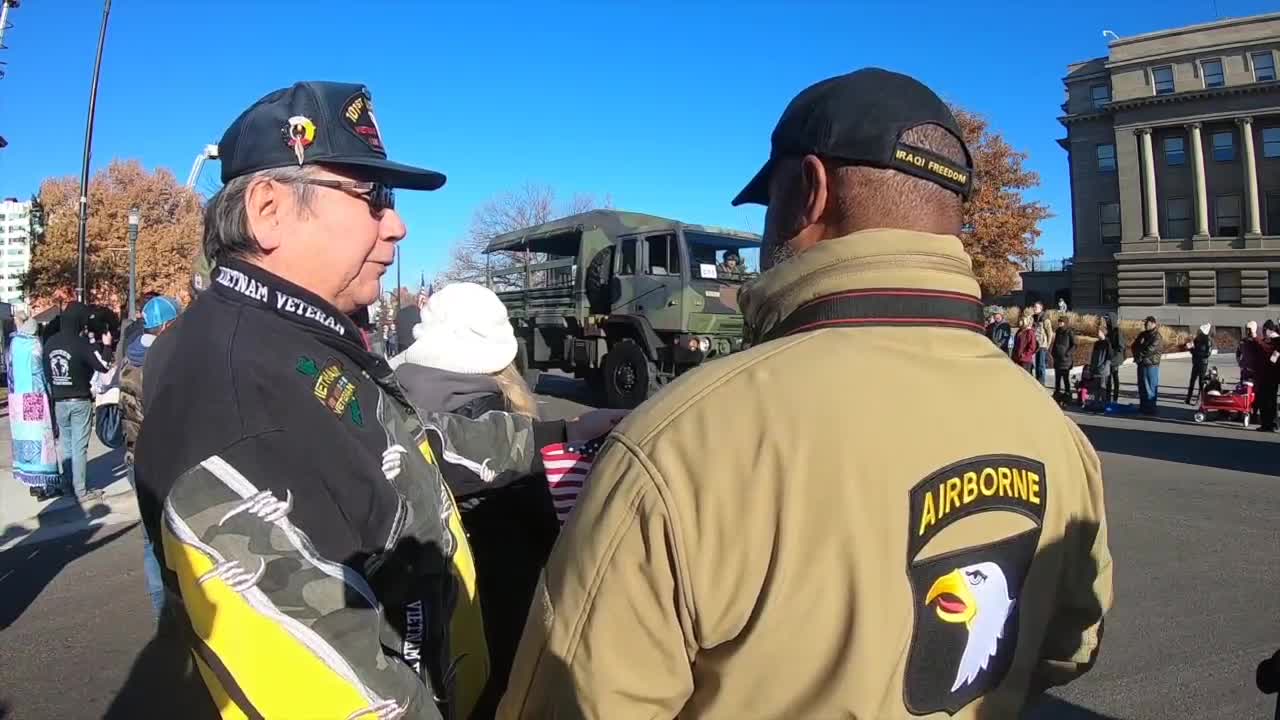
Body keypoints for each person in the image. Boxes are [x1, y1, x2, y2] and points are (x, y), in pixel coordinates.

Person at [501, 68, 1111, 719]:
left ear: (810, 192)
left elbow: (571, 701)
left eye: (770, 205)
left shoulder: (680, 445)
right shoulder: (1056, 433)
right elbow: (1070, 645)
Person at [125, 81, 622, 720]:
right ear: (269, 209)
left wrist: (561, 437)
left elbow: (409, 445)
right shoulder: (234, 394)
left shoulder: (292, 339)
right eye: (371, 196)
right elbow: (342, 697)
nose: (397, 224)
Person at [392, 281, 560, 718]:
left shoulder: (388, 395)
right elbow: (536, 521)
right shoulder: (499, 415)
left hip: (412, 602)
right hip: (493, 596)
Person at [118, 295, 182, 617]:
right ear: (168, 325)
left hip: (134, 460)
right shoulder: (168, 361)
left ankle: (162, 614)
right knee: (182, 537)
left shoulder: (129, 361)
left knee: (150, 542)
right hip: (166, 462)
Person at [41, 301, 109, 501]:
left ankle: (67, 484)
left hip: (59, 400)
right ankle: (81, 491)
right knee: (79, 446)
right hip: (79, 399)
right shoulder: (81, 344)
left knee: (66, 444)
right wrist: (105, 346)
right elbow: (103, 366)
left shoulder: (51, 343)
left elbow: (46, 371)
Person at [7, 308, 61, 500]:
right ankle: (44, 485)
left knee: (25, 442)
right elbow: (41, 374)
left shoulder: (13, 344)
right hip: (35, 398)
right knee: (42, 441)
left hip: (16, 400)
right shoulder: (35, 346)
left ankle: (31, 483)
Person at [1132, 316, 1163, 415]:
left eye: (1148, 323)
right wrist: (1137, 355)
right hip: (1141, 364)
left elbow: (1149, 350)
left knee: (1150, 387)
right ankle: (1143, 407)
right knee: (1142, 386)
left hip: (1151, 365)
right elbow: (1134, 345)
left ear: (1154, 323)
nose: (1145, 325)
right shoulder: (1143, 334)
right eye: (1145, 323)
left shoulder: (1157, 336)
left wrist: (1139, 356)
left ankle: (1150, 408)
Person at [1257, 320, 1280, 432]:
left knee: (1266, 400)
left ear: (1268, 330)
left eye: (1264, 329)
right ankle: (1271, 423)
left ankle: (1268, 424)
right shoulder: (1273, 341)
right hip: (1271, 376)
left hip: (1268, 375)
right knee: (1271, 400)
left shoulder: (1275, 342)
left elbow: (1272, 357)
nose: (1263, 332)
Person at [1185, 323, 1213, 404]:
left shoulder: (1208, 340)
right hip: (1196, 362)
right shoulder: (1197, 338)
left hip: (1203, 363)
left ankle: (1201, 399)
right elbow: (1193, 349)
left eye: (1200, 330)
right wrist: (1189, 348)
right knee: (1192, 380)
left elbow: (1207, 354)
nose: (1198, 331)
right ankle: (1188, 398)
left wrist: (1194, 351)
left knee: (1201, 382)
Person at [1051, 315, 1076, 401]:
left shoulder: (1069, 332)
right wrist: (1053, 352)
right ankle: (1057, 393)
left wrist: (1068, 353)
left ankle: (1067, 393)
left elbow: (1074, 345)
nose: (1059, 323)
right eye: (1059, 322)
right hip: (1057, 359)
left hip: (1065, 361)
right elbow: (1055, 343)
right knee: (1057, 378)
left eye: (1061, 322)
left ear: (1065, 323)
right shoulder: (1058, 331)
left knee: (1065, 379)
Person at [1031, 300, 1054, 386]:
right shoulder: (1033, 317)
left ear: (1041, 308)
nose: (1034, 308)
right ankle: (1037, 381)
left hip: (1042, 345)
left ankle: (1042, 382)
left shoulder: (1045, 318)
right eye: (1034, 307)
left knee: (1041, 365)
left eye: (1036, 307)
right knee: (1036, 364)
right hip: (1035, 345)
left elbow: (1050, 333)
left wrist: (1047, 345)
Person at [1102, 314, 1124, 403]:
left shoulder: (1117, 331)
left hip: (1115, 358)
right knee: (1108, 379)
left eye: (1107, 320)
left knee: (1115, 378)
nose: (1106, 322)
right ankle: (1107, 398)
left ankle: (1115, 398)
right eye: (1106, 320)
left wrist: (1113, 355)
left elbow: (1121, 346)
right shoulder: (1109, 331)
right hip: (1108, 357)